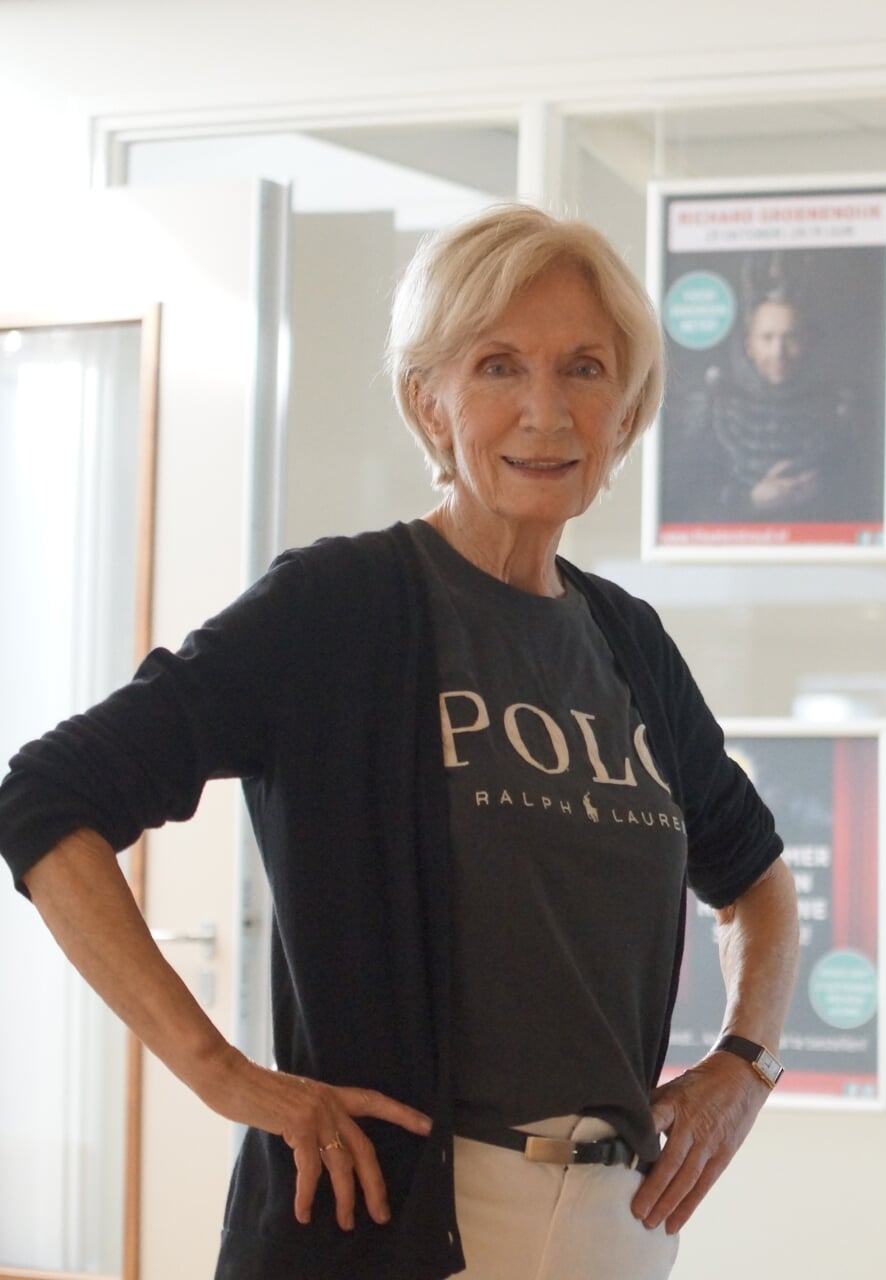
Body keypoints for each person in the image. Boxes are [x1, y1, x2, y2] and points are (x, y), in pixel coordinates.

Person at [0, 204, 802, 1280]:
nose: (546, 410)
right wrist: (220, 1071)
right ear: (429, 401)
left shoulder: (628, 642)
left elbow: (756, 877)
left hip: (620, 1223)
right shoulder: (337, 605)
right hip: (390, 1226)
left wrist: (743, 1064)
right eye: (499, 365)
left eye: (585, 368)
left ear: (630, 410)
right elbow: (46, 799)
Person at [662, 289, 878, 526]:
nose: (779, 352)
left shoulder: (841, 410)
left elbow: (863, 500)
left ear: (806, 342)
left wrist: (822, 490)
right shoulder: (712, 410)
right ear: (749, 346)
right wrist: (749, 501)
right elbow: (681, 504)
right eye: (767, 338)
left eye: (791, 337)